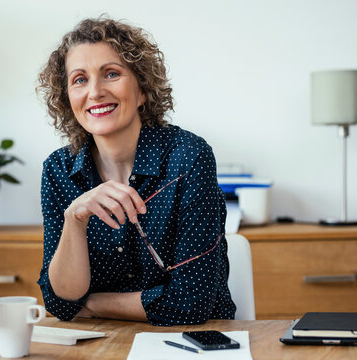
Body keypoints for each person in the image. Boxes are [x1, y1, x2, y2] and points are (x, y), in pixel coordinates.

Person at [36, 17, 236, 326]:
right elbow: (60, 301)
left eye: (111, 74)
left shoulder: (188, 157)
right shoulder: (58, 170)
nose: (95, 92)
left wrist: (91, 304)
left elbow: (191, 303)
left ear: (142, 89)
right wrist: (74, 220)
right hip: (99, 345)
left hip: (192, 342)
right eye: (79, 79)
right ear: (67, 99)